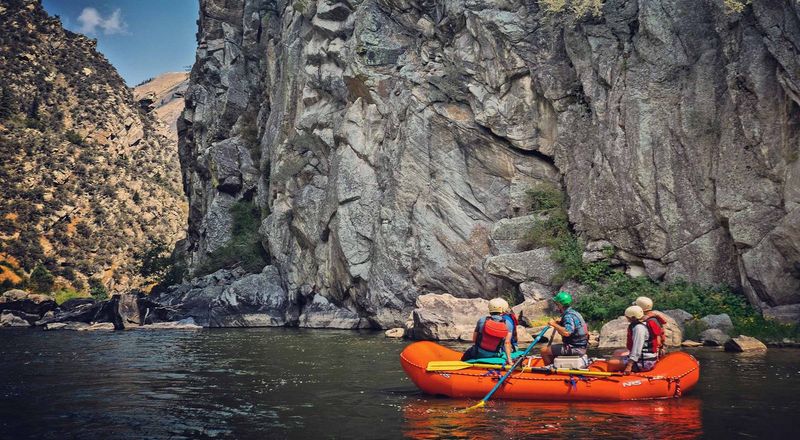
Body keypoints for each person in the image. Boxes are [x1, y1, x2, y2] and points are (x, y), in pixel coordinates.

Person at [461, 298, 515, 365]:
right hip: (495, 354)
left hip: (478, 353)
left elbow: (474, 339)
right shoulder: (508, 324)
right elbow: (507, 343)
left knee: (464, 358)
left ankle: (462, 364)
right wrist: (509, 361)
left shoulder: (482, 320)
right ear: (502, 310)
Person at [541, 291, 589, 366]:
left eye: (556, 304)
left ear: (560, 305)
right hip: (581, 347)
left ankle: (549, 370)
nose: (556, 306)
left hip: (575, 348)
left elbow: (567, 332)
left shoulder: (568, 316)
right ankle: (554, 365)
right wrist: (560, 323)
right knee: (552, 349)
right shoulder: (574, 313)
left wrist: (553, 324)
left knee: (543, 350)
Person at [608, 305, 659, 373]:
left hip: (645, 362)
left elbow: (637, 349)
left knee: (611, 362)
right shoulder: (644, 323)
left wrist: (629, 365)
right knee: (617, 352)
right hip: (646, 357)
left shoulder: (639, 328)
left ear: (633, 318)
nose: (626, 318)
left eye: (627, 317)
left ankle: (611, 381)